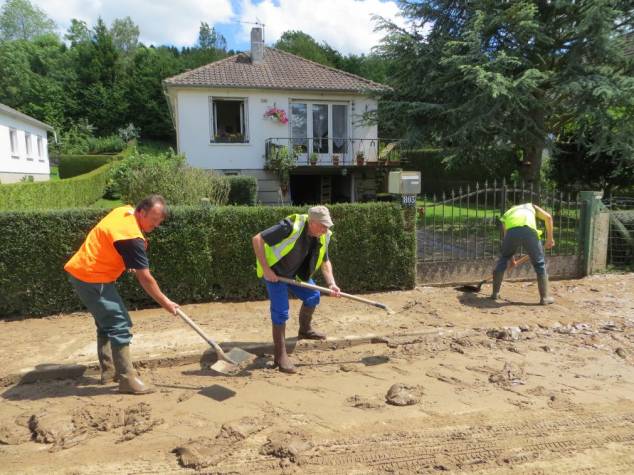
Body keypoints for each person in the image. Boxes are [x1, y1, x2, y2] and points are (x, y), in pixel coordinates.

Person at [64, 195, 179, 394]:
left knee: (106, 324)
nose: (156, 224)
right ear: (141, 212)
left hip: (84, 272)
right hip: (93, 278)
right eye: (153, 219)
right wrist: (165, 302)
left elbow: (109, 240)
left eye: (159, 220)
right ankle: (127, 379)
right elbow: (146, 279)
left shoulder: (124, 211)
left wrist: (128, 261)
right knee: (120, 324)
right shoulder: (132, 239)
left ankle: (109, 373)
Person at [252, 205, 341, 374]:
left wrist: (331, 284)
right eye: (323, 225)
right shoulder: (290, 226)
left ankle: (305, 329)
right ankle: (280, 356)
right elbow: (257, 239)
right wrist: (266, 269)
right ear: (312, 222)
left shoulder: (323, 236)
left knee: (313, 295)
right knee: (281, 312)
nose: (326, 229)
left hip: (296, 275)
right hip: (276, 274)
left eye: (327, 225)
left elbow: (325, 262)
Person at [491, 203, 556, 305]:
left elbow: (506, 235)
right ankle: (545, 298)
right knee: (539, 264)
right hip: (529, 231)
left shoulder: (507, 214)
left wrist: (511, 259)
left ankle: (495, 293)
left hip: (512, 232)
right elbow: (548, 217)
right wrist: (549, 238)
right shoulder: (531, 206)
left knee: (503, 258)